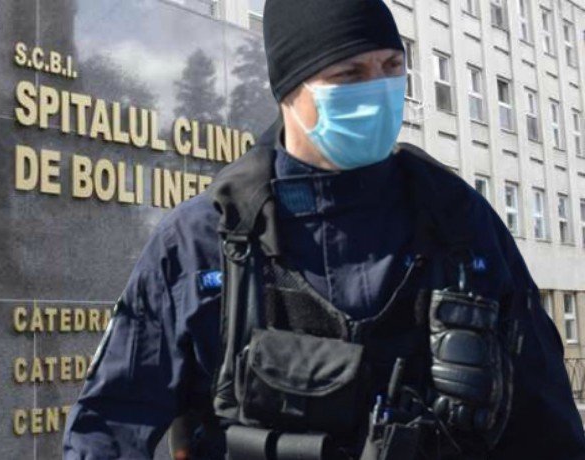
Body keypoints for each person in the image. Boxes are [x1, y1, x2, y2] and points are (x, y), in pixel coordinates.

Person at [63, 0, 585, 458]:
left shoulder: (459, 221)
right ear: (289, 91)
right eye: (349, 74)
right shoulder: (203, 240)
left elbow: (546, 420)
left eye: (391, 66)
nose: (378, 89)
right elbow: (108, 425)